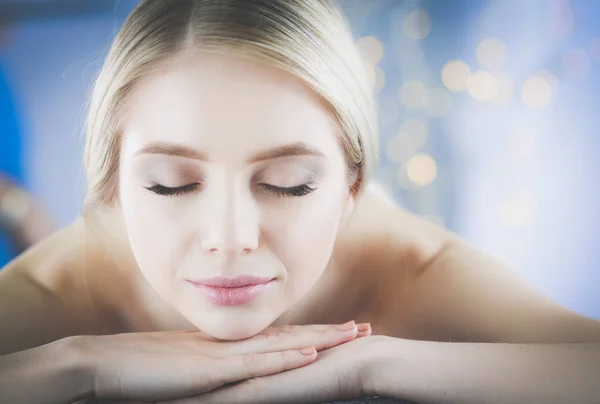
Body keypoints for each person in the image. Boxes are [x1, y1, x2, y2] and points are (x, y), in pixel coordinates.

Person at [1, 1, 599, 403]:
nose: (230, 237)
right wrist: (75, 364)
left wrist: (371, 364)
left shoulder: (408, 269)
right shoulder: (56, 289)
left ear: (351, 190)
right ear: (111, 189)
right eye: (171, 184)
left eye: (288, 183)